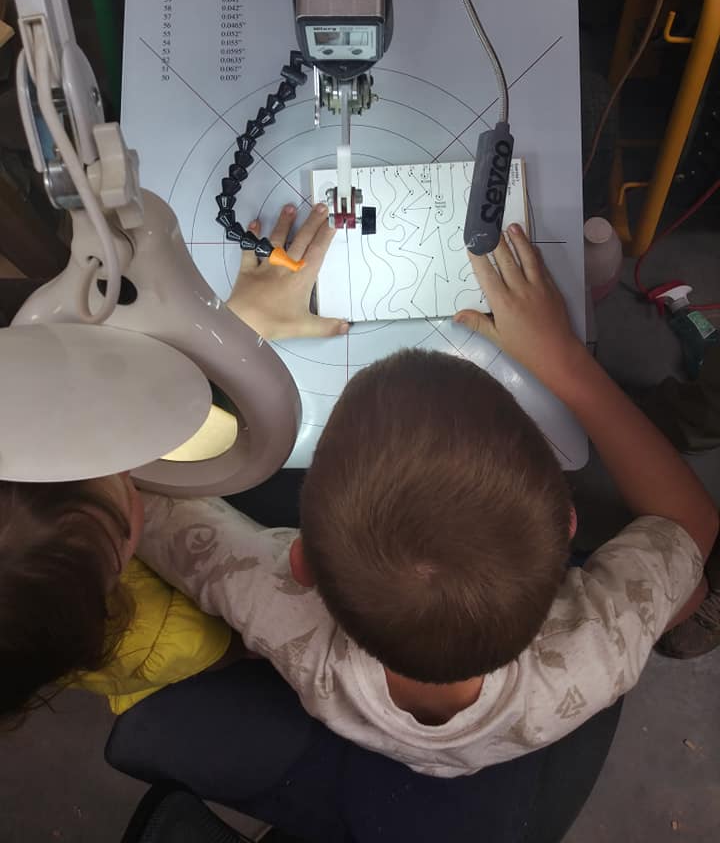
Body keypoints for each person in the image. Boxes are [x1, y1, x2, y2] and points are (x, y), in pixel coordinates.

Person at [136, 224, 718, 777]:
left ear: (301, 564)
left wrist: (233, 334)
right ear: (567, 524)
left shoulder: (277, 612)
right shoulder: (597, 656)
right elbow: (690, 523)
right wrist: (566, 361)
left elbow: (127, 488)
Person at [0, 203, 342, 725]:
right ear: (118, 558)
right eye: (117, 475)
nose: (126, 465)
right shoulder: (164, 639)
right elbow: (241, 641)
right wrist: (231, 333)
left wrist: (242, 319)